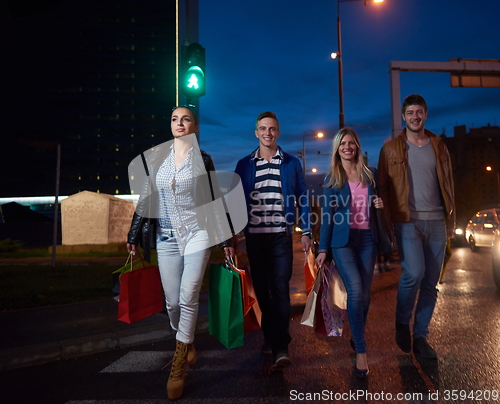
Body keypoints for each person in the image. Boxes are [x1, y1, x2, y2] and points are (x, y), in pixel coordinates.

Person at [126, 106, 234, 400]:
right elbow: (147, 198)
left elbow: (214, 200)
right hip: (166, 238)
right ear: (170, 125)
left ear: (195, 127)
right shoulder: (157, 158)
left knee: (188, 295)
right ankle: (184, 340)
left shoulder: (203, 160)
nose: (180, 123)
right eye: (175, 119)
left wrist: (226, 241)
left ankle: (178, 364)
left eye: (186, 119)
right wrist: (133, 233)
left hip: (198, 234)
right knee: (172, 302)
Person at [378, 94, 455, 359]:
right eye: (410, 112)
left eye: (419, 112)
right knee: (414, 274)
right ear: (403, 116)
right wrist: (387, 223)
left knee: (431, 283)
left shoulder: (438, 146)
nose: (415, 116)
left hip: (437, 221)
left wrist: (451, 222)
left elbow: (448, 184)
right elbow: (384, 189)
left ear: (425, 114)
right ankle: (402, 322)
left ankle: (421, 336)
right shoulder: (390, 150)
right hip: (407, 221)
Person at [234, 111, 312, 369]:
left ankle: (281, 345)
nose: (268, 133)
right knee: (264, 293)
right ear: (256, 133)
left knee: (280, 289)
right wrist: (231, 236)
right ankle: (270, 336)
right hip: (254, 238)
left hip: (280, 236)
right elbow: (235, 202)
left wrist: (308, 231)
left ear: (278, 132)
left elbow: (303, 197)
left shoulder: (290, 163)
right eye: (263, 129)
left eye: (272, 129)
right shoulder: (244, 165)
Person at [316, 128, 384, 378]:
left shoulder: (370, 174)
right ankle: (362, 351)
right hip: (342, 242)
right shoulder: (332, 180)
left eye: (351, 143)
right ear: (337, 148)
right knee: (355, 290)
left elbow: (378, 203)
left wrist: (379, 203)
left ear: (357, 146)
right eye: (342, 143)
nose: (347, 147)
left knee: (364, 297)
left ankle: (356, 338)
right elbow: (327, 217)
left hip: (367, 239)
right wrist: (323, 248)